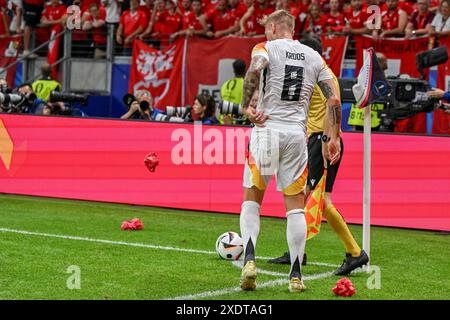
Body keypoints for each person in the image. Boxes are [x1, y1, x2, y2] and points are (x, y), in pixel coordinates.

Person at [239, 10, 341, 293]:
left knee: (252, 198)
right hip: (297, 134)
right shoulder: (313, 56)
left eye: (266, 28)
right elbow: (333, 95)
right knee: (295, 206)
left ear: (273, 27)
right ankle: (296, 276)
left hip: (267, 130)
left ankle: (249, 259)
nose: (266, 33)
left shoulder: (265, 48)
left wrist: (247, 105)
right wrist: (332, 136)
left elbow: (255, 69)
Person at [268, 37, 369, 276]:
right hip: (313, 141)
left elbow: (331, 107)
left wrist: (327, 140)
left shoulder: (323, 75)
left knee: (321, 201)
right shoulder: (313, 73)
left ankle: (355, 253)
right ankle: (297, 253)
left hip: (320, 142)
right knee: (301, 198)